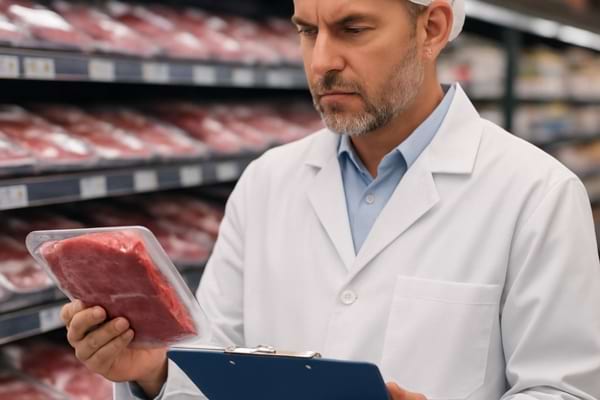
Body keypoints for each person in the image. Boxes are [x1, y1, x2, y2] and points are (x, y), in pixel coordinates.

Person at [60, 0, 600, 399]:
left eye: (352, 29)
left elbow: (565, 390)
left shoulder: (536, 193)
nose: (321, 61)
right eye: (306, 31)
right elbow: (215, 362)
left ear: (431, 29)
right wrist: (154, 371)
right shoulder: (267, 181)